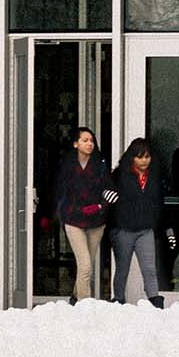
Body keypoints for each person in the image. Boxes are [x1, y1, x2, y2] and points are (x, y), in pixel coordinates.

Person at [49, 127, 115, 301]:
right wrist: (59, 213)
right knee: (85, 265)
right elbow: (60, 192)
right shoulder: (67, 165)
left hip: (96, 221)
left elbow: (109, 189)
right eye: (85, 140)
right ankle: (85, 306)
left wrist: (101, 206)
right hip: (73, 219)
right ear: (76, 143)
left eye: (91, 140)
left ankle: (75, 297)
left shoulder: (100, 164)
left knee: (86, 265)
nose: (89, 144)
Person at [109, 136, 169, 306]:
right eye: (139, 156)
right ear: (131, 157)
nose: (144, 161)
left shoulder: (155, 177)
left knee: (149, 268)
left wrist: (166, 228)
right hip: (123, 229)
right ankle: (118, 300)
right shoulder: (119, 175)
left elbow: (160, 203)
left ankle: (155, 302)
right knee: (122, 269)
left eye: (147, 156)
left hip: (146, 229)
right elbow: (109, 200)